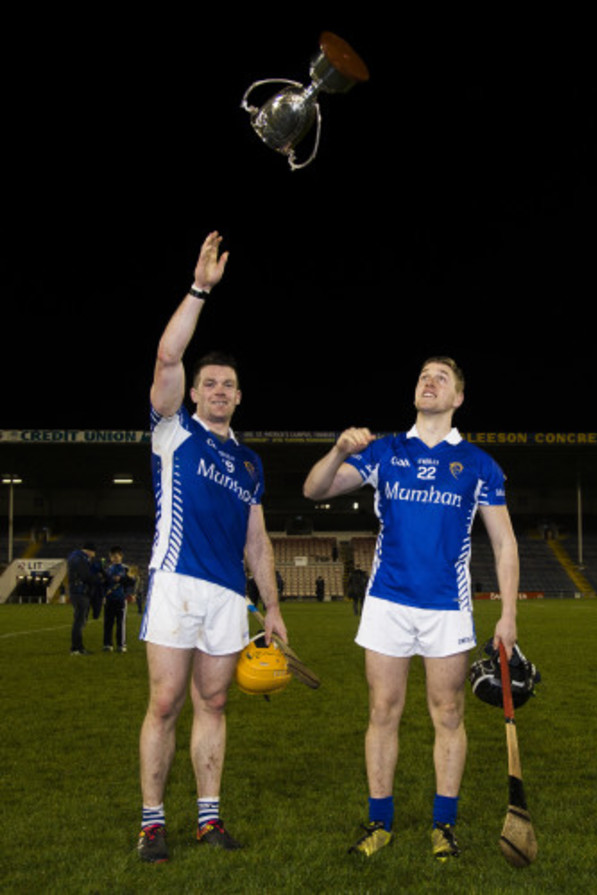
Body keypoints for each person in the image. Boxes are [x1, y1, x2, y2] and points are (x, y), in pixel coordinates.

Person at [303, 357, 519, 861]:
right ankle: (379, 822)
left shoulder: (479, 464)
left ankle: (443, 826)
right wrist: (338, 451)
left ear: (458, 398)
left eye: (441, 378)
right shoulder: (385, 451)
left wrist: (508, 614)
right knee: (382, 711)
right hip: (387, 603)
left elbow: (504, 543)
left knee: (448, 712)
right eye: (424, 376)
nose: (429, 382)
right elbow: (314, 490)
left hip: (447, 607)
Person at [137, 230, 288, 864]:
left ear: (239, 395)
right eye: (211, 383)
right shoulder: (173, 432)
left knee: (216, 701)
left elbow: (258, 542)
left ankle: (207, 818)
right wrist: (200, 289)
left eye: (230, 384)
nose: (220, 390)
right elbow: (168, 357)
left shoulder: (250, 463)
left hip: (229, 593)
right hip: (175, 580)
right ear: (196, 392)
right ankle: (151, 823)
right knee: (167, 701)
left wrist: (273, 608)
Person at [67, 541, 101, 655]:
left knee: (80, 620)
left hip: (77, 592)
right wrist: (97, 579)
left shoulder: (75, 557)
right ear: (90, 551)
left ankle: (78, 647)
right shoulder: (80, 559)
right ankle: (76, 648)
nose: (94, 555)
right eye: (93, 553)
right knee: (80, 621)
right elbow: (85, 576)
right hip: (80, 592)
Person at [103, 546, 131, 652]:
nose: (115, 559)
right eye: (112, 557)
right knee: (108, 623)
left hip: (120, 599)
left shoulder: (126, 569)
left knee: (120, 623)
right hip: (109, 599)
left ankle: (121, 645)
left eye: (116, 556)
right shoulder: (108, 569)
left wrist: (122, 579)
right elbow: (104, 584)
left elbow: (131, 582)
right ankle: (107, 644)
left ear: (121, 556)